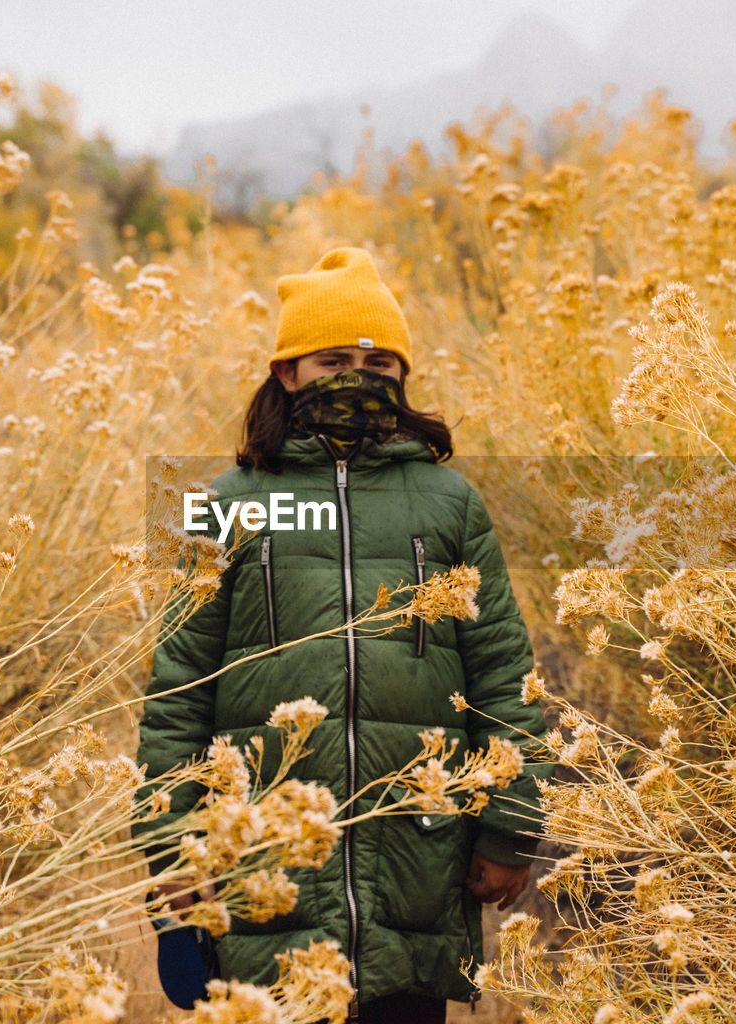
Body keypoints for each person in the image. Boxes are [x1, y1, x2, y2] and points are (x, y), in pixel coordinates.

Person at [136, 247, 545, 1024]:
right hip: (263, 858)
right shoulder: (223, 503)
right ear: (286, 373)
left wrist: (511, 825)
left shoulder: (451, 503)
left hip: (416, 862)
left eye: (380, 362)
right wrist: (172, 843)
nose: (359, 376)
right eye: (333, 359)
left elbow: (503, 676)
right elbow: (178, 690)